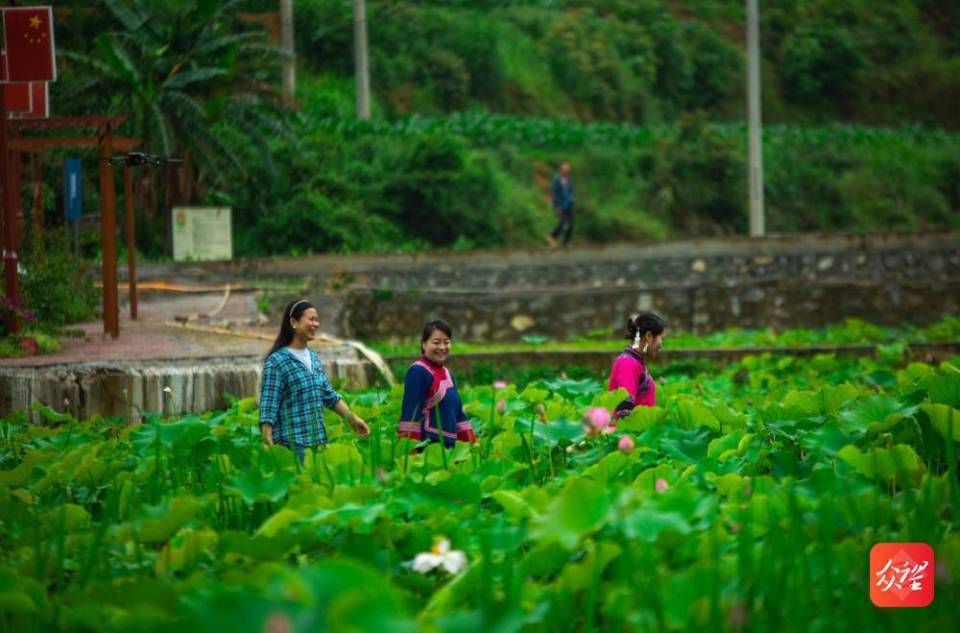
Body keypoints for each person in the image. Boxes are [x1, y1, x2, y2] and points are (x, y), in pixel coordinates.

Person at [259, 298, 369, 460]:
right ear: (294, 322)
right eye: (311, 319)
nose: (316, 324)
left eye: (317, 320)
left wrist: (352, 419)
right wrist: (267, 440)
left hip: (318, 442)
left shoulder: (313, 358)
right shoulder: (277, 361)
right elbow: (269, 406)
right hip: (292, 445)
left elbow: (328, 395)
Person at [397, 319, 477, 447]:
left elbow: (458, 415)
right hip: (428, 448)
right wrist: (410, 451)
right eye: (436, 342)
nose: (442, 347)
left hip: (450, 448)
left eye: (446, 342)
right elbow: (411, 414)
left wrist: (472, 445)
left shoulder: (447, 373)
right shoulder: (418, 372)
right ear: (424, 344)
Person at [607, 312, 666, 420]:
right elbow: (624, 413)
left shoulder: (636, 362)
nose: (661, 344)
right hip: (632, 435)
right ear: (649, 336)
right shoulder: (628, 363)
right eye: (661, 338)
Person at [546, 161, 574, 248]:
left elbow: (571, 190)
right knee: (564, 223)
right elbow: (554, 193)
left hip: (569, 203)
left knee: (570, 223)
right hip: (560, 205)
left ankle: (567, 242)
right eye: (565, 169)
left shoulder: (570, 179)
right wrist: (557, 206)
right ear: (561, 170)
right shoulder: (556, 179)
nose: (567, 171)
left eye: (568, 169)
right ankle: (551, 237)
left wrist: (572, 199)